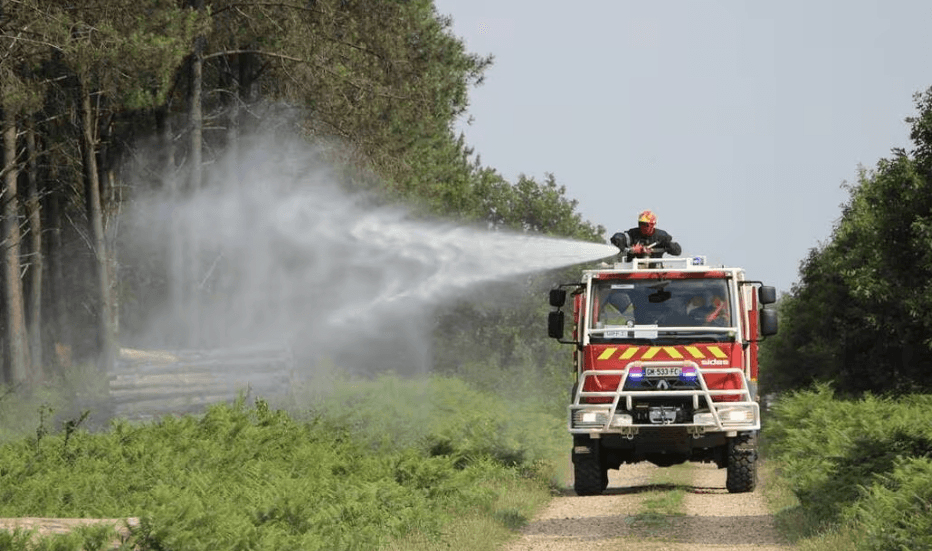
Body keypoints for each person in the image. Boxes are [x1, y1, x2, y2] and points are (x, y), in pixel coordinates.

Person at [609, 210, 682, 261]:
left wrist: (670, 246)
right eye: (641, 224)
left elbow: (677, 251)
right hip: (632, 271)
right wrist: (631, 248)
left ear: (653, 225)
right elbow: (619, 238)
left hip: (655, 272)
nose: (642, 227)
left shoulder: (662, 236)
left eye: (646, 225)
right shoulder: (632, 234)